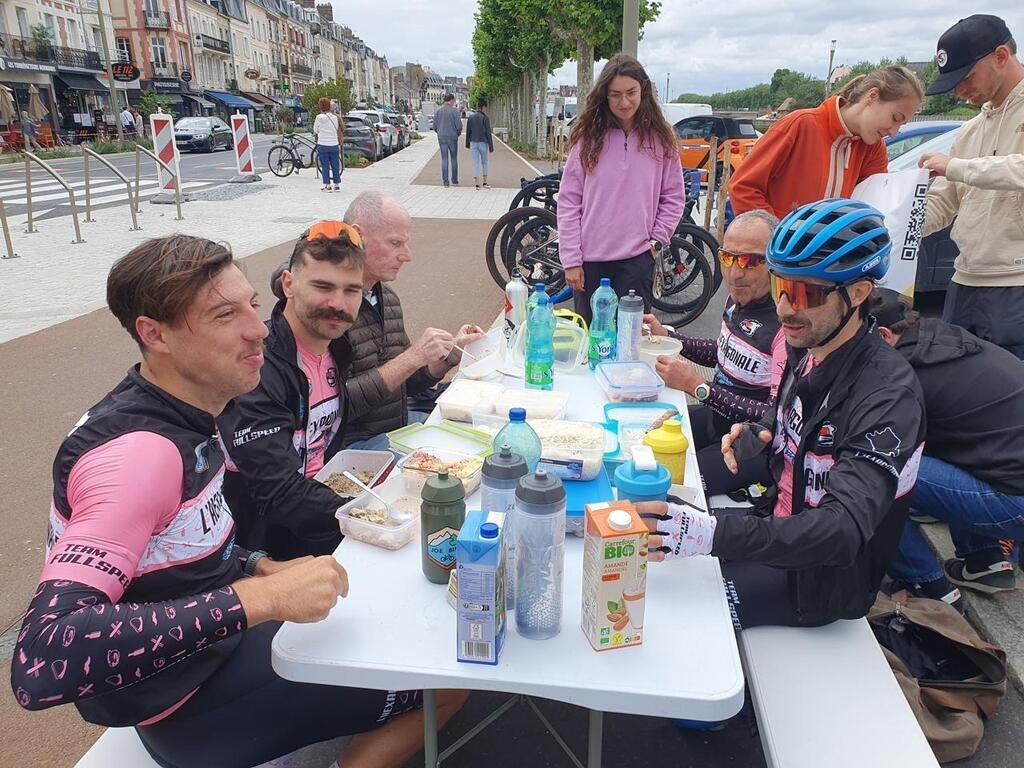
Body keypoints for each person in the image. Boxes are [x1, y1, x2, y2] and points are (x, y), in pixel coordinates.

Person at [9, 235, 466, 768]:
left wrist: (257, 565)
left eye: (252, 303)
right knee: (446, 673)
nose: (258, 329)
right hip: (189, 703)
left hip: (208, 661)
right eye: (226, 315)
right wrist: (259, 599)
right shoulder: (139, 456)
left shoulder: (186, 408)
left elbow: (178, 546)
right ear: (154, 334)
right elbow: (45, 653)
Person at [638, 198, 925, 630]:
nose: (786, 308)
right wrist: (760, 428)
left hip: (820, 582)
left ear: (859, 294)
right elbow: (786, 413)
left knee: (678, 620)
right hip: (777, 525)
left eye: (806, 292)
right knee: (644, 518)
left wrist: (712, 534)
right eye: (780, 287)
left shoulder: (888, 396)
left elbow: (842, 530)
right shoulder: (804, 345)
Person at [218, 222, 365, 559]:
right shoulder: (257, 367)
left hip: (317, 510)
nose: (338, 303)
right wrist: (364, 514)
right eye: (323, 286)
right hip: (266, 546)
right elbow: (276, 491)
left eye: (351, 290)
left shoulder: (337, 348)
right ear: (289, 284)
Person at [869, 289, 1024, 602]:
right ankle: (984, 561)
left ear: (884, 336)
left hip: (1015, 500)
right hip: (1008, 471)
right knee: (952, 444)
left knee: (875, 469)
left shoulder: (905, 374)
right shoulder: (940, 340)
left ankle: (927, 585)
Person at [643, 209, 783, 495]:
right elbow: (723, 352)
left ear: (775, 263)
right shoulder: (738, 300)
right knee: (642, 444)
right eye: (728, 257)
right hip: (715, 419)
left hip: (748, 447)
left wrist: (698, 386)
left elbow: (775, 417)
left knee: (669, 486)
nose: (735, 273)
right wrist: (669, 335)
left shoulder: (785, 325)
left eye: (750, 261)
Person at [918, 15, 1024, 360]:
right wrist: (894, 223)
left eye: (966, 77)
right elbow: (944, 203)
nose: (960, 91)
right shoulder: (970, 130)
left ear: (1000, 56)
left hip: (1015, 281)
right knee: (960, 392)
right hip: (964, 280)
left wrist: (955, 167)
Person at [558, 52, 685, 324]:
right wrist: (571, 259)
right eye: (615, 94)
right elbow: (569, 202)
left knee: (630, 342)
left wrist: (657, 240)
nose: (624, 102)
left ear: (644, 91)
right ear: (604, 95)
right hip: (590, 262)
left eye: (631, 92)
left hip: (637, 260)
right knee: (592, 342)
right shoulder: (587, 139)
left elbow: (673, 197)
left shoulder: (662, 141)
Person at [729, 66, 923, 218]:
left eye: (902, 124)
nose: (894, 132)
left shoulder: (873, 149)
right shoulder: (800, 125)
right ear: (872, 96)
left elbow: (871, 210)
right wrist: (777, 240)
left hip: (831, 264)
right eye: (896, 118)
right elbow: (744, 187)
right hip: (777, 261)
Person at [313, 97, 342, 192]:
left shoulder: (318, 118)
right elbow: (336, 128)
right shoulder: (335, 117)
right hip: (334, 144)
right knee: (335, 165)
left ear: (320, 106)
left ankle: (327, 185)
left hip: (323, 144)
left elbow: (315, 130)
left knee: (325, 165)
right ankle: (337, 185)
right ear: (329, 106)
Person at [434, 92, 462, 187]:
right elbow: (459, 126)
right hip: (452, 137)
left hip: (441, 137)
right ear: (450, 100)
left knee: (444, 158)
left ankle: (445, 182)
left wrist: (439, 132)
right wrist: (457, 133)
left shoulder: (438, 111)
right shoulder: (454, 112)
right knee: (453, 158)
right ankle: (454, 179)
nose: (454, 102)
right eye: (453, 101)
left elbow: (434, 126)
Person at [466, 96, 494, 189]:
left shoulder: (471, 117)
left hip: (473, 142)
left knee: (475, 162)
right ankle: (485, 182)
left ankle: (477, 183)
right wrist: (491, 146)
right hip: (483, 142)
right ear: (484, 107)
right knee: (484, 162)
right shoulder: (485, 118)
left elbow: (468, 131)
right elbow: (488, 132)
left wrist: (467, 143)